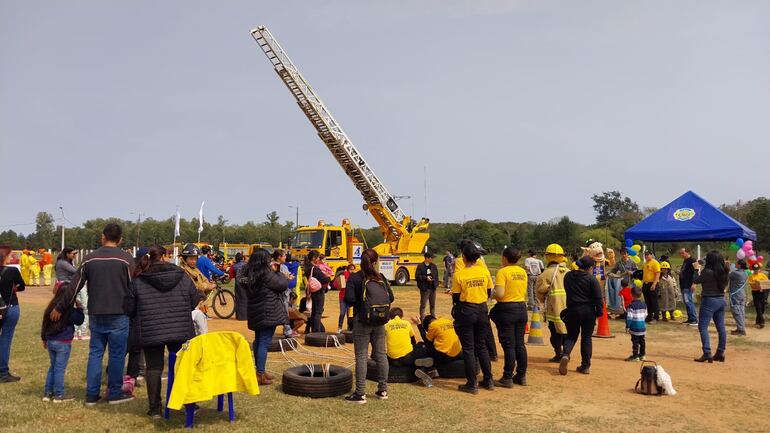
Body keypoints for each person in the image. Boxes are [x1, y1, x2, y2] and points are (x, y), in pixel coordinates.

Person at [50, 223, 136, 405]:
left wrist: (60, 307)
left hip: (97, 313)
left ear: (102, 237)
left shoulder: (90, 259)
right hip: (120, 314)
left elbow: (74, 286)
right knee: (117, 355)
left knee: (95, 354)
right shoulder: (127, 259)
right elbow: (134, 288)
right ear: (120, 240)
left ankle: (91, 395)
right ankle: (114, 394)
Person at [126, 245, 203, 418]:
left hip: (151, 329)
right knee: (183, 366)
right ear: (166, 256)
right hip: (180, 328)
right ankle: (189, 402)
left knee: (153, 368)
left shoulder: (139, 279)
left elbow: (129, 308)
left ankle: (155, 409)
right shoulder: (182, 276)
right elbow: (193, 300)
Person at [344, 248, 394, 404]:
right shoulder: (381, 277)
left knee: (361, 356)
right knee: (380, 355)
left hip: (362, 321)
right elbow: (391, 297)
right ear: (375, 262)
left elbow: (349, 299)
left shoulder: (355, 277)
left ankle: (360, 394)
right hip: (379, 321)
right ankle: (383, 390)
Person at [239, 248, 289, 386]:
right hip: (268, 311)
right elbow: (282, 285)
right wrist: (279, 273)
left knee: (258, 340)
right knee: (264, 341)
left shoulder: (247, 273)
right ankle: (260, 373)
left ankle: (260, 370)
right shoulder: (267, 274)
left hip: (255, 311)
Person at [451, 242, 494, 394]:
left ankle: (472, 383)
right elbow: (489, 292)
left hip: (466, 311)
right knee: (481, 346)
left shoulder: (459, 275)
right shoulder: (484, 272)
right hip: (482, 310)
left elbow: (456, 298)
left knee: (468, 348)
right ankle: (488, 380)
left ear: (463, 257)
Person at [490, 247, 528, 387]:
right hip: (521, 308)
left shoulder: (503, 272)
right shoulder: (522, 272)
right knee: (520, 344)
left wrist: (491, 294)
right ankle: (521, 375)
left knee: (509, 345)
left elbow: (500, 294)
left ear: (505, 258)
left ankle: (507, 377)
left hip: (506, 310)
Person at [40, 282, 85, 402]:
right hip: (63, 342)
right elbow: (79, 320)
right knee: (60, 368)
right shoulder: (69, 310)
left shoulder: (51, 307)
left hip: (51, 341)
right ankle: (59, 394)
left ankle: (48, 393)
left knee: (53, 367)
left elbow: (45, 324)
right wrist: (79, 308)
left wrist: (44, 338)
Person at [559, 256, 603, 376]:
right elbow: (598, 299)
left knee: (571, 336)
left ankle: (566, 355)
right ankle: (585, 366)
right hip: (588, 312)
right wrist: (599, 313)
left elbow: (567, 289)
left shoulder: (568, 276)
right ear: (589, 268)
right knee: (586, 338)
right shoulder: (591, 279)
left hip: (573, 310)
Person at [692, 251, 729, 363]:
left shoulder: (708, 272)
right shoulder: (724, 271)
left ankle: (707, 352)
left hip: (709, 300)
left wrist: (695, 269)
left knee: (703, 327)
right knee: (721, 327)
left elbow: (695, 280)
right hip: (721, 300)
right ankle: (720, 352)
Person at [535, 244, 569, 362]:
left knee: (555, 332)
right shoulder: (568, 271)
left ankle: (559, 354)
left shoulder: (545, 274)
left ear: (547, 256)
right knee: (567, 330)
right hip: (569, 308)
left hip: (553, 309)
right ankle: (566, 353)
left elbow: (540, 292)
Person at [383, 308, 433, 386]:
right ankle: (421, 367)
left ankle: (417, 364)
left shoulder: (386, 325)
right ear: (402, 316)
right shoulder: (407, 323)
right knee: (421, 346)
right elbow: (413, 341)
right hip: (407, 358)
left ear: (390, 316)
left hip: (393, 360)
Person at [0, 245, 26, 383]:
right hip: (10, 307)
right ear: (5, 257)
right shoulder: (12, 271)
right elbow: (22, 286)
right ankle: (3, 372)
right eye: (10, 255)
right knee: (5, 339)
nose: (12, 258)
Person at [304, 250, 330, 333]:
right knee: (318, 311)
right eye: (318, 257)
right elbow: (324, 279)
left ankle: (315, 329)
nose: (319, 259)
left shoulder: (307, 267)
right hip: (318, 291)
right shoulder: (314, 268)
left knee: (314, 311)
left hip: (312, 291)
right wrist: (328, 277)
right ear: (314, 258)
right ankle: (316, 331)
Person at [272, 249, 296, 338]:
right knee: (276, 312)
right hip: (275, 294)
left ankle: (287, 330)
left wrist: (289, 277)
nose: (286, 257)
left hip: (284, 293)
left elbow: (286, 276)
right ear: (279, 257)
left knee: (285, 311)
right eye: (284, 255)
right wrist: (285, 277)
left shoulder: (284, 266)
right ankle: (287, 330)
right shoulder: (272, 266)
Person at [608, 249, 636, 313]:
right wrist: (609, 273)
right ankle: (622, 313)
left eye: (625, 254)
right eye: (622, 254)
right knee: (623, 298)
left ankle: (631, 312)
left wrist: (631, 272)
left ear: (627, 254)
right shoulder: (618, 263)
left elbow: (636, 271)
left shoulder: (632, 262)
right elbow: (613, 270)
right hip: (621, 283)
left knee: (630, 297)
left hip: (630, 283)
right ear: (620, 254)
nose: (624, 255)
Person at [624, 285, 647, 362]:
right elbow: (645, 314)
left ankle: (635, 356)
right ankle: (642, 355)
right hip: (642, 327)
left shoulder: (631, 306)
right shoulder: (644, 304)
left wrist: (627, 326)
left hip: (634, 327)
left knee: (635, 342)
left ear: (631, 295)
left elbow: (629, 317)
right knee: (642, 341)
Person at [678, 248, 698, 325]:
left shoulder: (692, 260)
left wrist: (694, 283)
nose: (681, 255)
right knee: (686, 302)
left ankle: (694, 319)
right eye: (680, 253)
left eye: (683, 253)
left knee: (688, 301)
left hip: (688, 285)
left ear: (687, 252)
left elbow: (696, 272)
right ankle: (690, 318)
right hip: (683, 285)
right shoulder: (685, 261)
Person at [416, 252, 439, 319]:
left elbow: (436, 276)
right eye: (431, 258)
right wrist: (426, 278)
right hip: (425, 288)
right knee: (423, 304)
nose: (432, 259)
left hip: (433, 288)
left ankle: (433, 316)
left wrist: (436, 283)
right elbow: (417, 276)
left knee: (432, 304)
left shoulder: (433, 266)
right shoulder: (420, 266)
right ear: (427, 258)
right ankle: (422, 317)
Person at [728, 260, 748, 336]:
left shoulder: (735, 273)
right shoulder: (745, 273)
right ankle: (740, 327)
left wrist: (727, 265)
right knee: (741, 311)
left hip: (735, 294)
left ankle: (741, 329)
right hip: (741, 294)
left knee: (736, 311)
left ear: (739, 265)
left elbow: (727, 275)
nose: (735, 264)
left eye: (736, 263)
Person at [641, 251, 661, 323]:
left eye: (648, 255)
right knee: (647, 301)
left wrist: (654, 284)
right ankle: (649, 316)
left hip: (652, 283)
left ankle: (656, 317)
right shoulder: (645, 263)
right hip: (646, 284)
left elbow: (657, 274)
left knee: (654, 301)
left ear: (651, 255)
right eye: (645, 255)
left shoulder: (655, 262)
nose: (646, 256)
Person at [748, 263, 769, 329]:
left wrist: (762, 283)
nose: (756, 270)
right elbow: (751, 284)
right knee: (758, 307)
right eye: (755, 269)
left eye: (757, 269)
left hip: (762, 292)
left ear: (759, 269)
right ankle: (762, 322)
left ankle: (758, 321)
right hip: (755, 292)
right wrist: (756, 282)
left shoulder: (762, 275)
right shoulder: (751, 276)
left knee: (762, 308)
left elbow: (767, 282)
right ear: (753, 270)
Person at [337, 264, 355, 334]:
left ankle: (349, 326)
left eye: (353, 269)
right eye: (351, 269)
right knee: (342, 313)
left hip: (350, 297)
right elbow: (340, 285)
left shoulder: (354, 276)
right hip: (343, 297)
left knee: (349, 314)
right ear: (348, 269)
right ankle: (339, 327)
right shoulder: (343, 275)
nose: (352, 271)